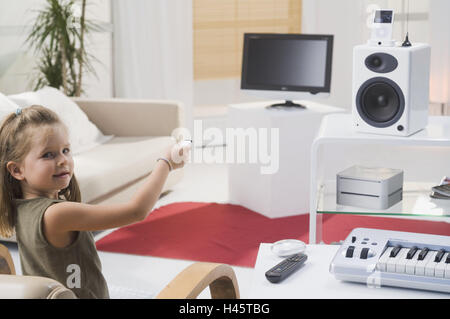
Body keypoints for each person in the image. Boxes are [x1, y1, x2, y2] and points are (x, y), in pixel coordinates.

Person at [0, 105, 189, 298]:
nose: (63, 160)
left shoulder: (20, 208)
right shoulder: (58, 214)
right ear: (17, 170)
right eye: (48, 154)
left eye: (66, 150)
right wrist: (165, 163)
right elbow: (136, 211)